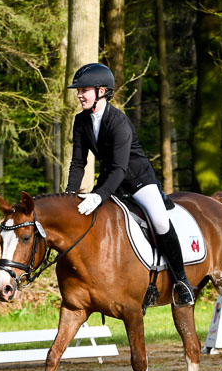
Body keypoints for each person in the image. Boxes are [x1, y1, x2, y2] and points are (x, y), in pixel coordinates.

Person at [65, 62, 194, 306]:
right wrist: (69, 195)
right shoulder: (80, 121)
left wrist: (99, 195)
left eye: (84, 90)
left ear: (101, 91)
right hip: (111, 182)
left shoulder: (119, 122)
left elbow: (120, 168)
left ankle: (181, 280)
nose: (79, 95)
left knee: (158, 220)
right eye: (78, 91)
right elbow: (78, 163)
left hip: (138, 181)